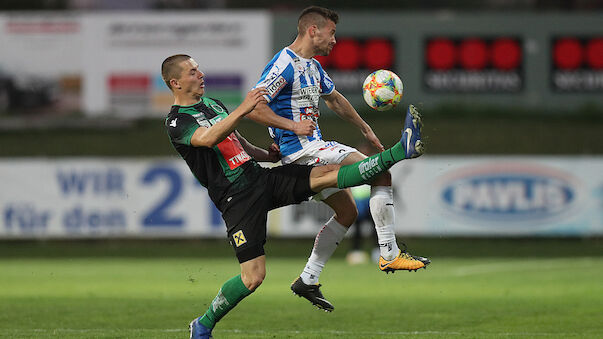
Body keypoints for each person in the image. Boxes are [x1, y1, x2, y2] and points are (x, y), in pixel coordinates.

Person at [161, 54, 424, 338]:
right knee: (253, 278)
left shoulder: (213, 104)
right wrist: (244, 108)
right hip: (235, 198)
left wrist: (266, 155)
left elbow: (239, 141)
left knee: (325, 174)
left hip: (259, 177)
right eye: (192, 72)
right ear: (175, 83)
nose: (200, 74)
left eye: (198, 69)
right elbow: (208, 138)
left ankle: (398, 151)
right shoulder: (177, 122)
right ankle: (203, 324)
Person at [247, 6, 430, 311]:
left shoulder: (313, 67)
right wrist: (291, 126)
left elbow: (334, 99)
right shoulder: (284, 64)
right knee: (380, 172)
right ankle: (389, 253)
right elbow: (252, 106)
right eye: (332, 33)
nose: (335, 40)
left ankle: (307, 279)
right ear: (313, 31)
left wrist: (366, 129)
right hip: (303, 152)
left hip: (307, 150)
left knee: (346, 212)